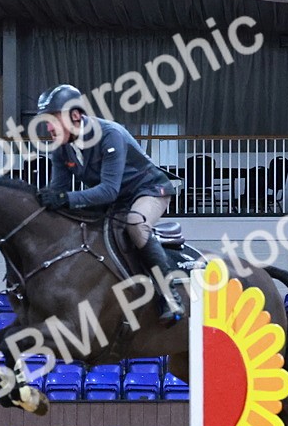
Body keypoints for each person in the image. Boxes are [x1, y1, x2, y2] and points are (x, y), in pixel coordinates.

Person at [35, 84, 184, 325]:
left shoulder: (109, 134)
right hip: (115, 200)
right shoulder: (61, 148)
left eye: (53, 119)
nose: (49, 128)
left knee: (135, 224)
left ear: (76, 115)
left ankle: (169, 295)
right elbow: (57, 192)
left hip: (148, 190)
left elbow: (108, 190)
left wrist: (65, 199)